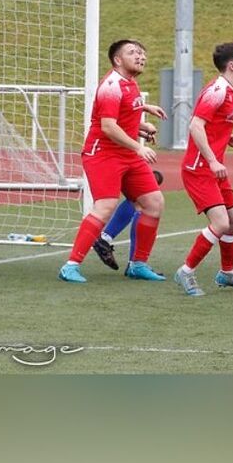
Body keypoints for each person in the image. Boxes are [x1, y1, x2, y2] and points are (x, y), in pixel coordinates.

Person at [59, 39, 167, 283]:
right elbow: (107, 126)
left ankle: (138, 264)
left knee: (154, 203)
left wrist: (141, 125)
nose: (140, 56)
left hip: (126, 153)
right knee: (105, 205)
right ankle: (71, 265)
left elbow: (122, 116)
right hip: (103, 153)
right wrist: (138, 148)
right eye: (133, 53)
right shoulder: (111, 85)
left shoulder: (130, 83)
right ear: (118, 60)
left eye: (142, 52)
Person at [173, 43, 233, 296]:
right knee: (220, 223)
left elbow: (210, 126)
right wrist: (212, 160)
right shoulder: (218, 90)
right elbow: (196, 125)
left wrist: (227, 138)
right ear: (232, 65)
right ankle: (185, 272)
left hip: (213, 168)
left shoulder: (229, 90)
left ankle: (226, 273)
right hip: (199, 168)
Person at [91, 169, 165, 273]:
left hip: (112, 160)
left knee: (138, 196)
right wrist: (139, 151)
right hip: (116, 159)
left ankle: (105, 238)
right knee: (144, 198)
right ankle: (134, 263)